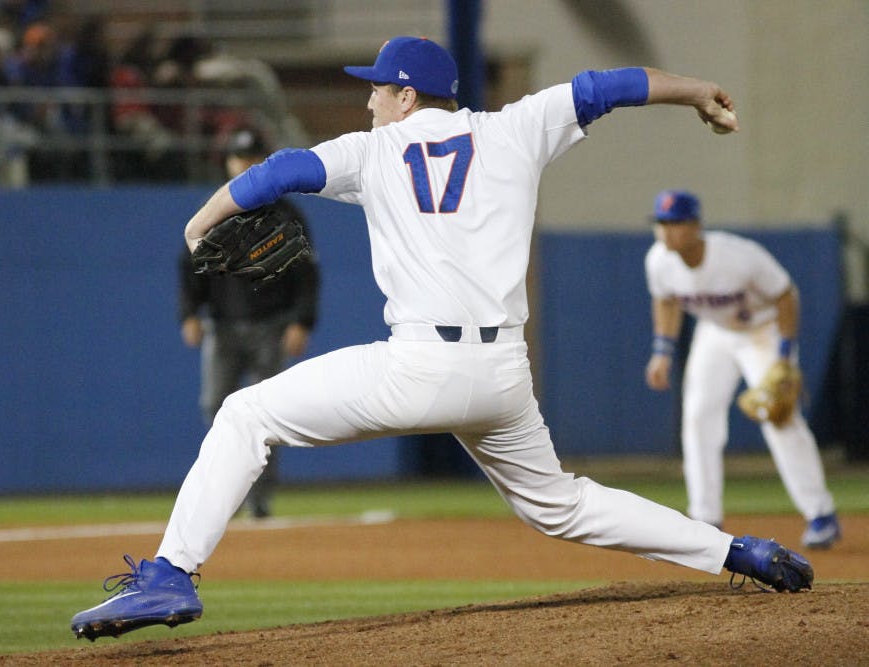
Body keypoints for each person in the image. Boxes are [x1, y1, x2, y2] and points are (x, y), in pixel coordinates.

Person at [72, 36, 815, 641]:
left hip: (418, 365)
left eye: (376, 88)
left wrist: (198, 222)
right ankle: (736, 551)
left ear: (405, 95)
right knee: (559, 503)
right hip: (502, 374)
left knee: (244, 414)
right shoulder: (515, 128)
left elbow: (278, 172)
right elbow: (607, 85)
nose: (367, 100)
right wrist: (695, 92)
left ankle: (171, 571)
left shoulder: (373, 152)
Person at [643, 189, 841, 548]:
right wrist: (662, 352)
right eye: (661, 223)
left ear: (696, 225)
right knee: (698, 417)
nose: (666, 231)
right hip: (715, 331)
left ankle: (820, 514)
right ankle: (705, 518)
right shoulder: (659, 260)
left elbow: (785, 295)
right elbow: (666, 301)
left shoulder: (737, 256)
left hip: (762, 330)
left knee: (779, 418)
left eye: (674, 223)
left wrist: (784, 355)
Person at [178, 127, 320, 519]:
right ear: (228, 162)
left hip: (272, 327)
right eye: (238, 158)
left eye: (251, 157)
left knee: (267, 417)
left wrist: (302, 322)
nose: (244, 165)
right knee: (214, 407)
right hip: (222, 327)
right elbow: (190, 266)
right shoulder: (215, 210)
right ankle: (223, 498)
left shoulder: (287, 214)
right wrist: (189, 312)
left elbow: (307, 274)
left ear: (262, 161)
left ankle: (259, 500)